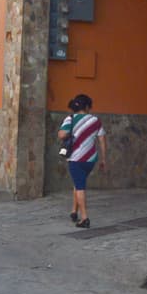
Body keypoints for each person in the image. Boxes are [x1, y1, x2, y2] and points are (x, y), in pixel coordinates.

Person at [58, 93, 105, 229]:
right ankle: (74, 211)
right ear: (87, 106)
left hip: (76, 159)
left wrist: (72, 131)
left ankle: (84, 218)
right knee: (78, 183)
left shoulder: (70, 119)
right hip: (90, 159)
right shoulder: (95, 120)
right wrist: (103, 159)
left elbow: (61, 135)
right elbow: (102, 140)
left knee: (80, 187)